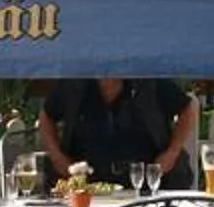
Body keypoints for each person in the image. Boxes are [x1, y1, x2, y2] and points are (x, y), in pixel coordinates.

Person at [39, 78, 198, 188]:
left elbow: (187, 109)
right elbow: (46, 116)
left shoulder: (148, 80)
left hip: (146, 184)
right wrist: (56, 156)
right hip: (89, 186)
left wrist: (172, 152)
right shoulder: (74, 85)